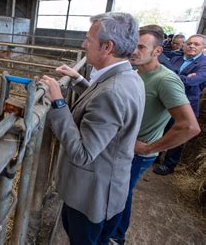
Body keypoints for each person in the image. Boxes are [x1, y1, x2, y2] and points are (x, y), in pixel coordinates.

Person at [40, 12, 145, 245]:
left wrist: (58, 103)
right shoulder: (129, 77)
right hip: (109, 187)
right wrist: (79, 81)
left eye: (88, 39)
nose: (83, 44)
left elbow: (83, 154)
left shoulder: (113, 91)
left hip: (91, 197)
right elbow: (105, 111)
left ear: (107, 47)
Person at [111, 27, 201, 244]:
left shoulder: (165, 80)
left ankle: (116, 236)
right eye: (133, 45)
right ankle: (115, 233)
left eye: (141, 46)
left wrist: (149, 148)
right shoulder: (136, 73)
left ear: (158, 50)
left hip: (139, 152)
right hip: (123, 146)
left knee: (120, 194)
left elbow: (190, 126)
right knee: (120, 192)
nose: (134, 50)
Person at [154, 34, 206, 175]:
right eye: (189, 43)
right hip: (166, 102)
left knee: (178, 133)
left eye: (196, 44)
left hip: (186, 104)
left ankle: (169, 164)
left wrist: (171, 76)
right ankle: (156, 155)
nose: (191, 46)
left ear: (203, 48)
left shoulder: (204, 64)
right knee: (162, 129)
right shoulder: (176, 58)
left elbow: (193, 82)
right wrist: (183, 78)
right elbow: (160, 73)